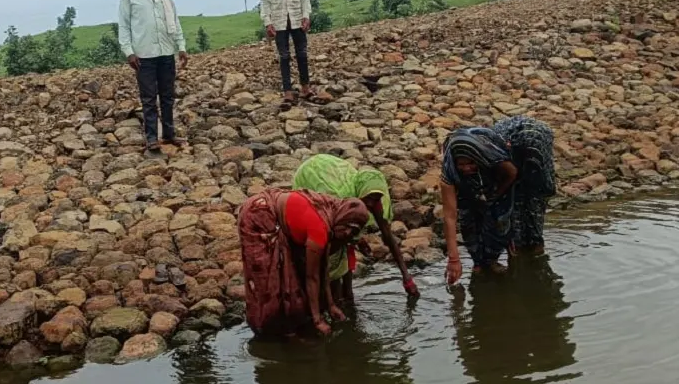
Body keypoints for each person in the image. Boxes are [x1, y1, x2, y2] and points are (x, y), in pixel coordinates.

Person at [439, 115, 557, 283]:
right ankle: (480, 262)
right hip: (486, 172)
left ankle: (516, 255)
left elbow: (512, 173)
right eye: (461, 164)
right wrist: (453, 260)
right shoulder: (449, 173)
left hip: (512, 164)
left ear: (479, 158)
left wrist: (496, 195)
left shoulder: (494, 157)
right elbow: (450, 217)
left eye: (470, 163)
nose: (466, 168)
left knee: (503, 215)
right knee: (468, 218)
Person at [239, 188, 369, 338]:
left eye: (353, 231)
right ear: (343, 216)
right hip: (258, 214)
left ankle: (292, 322)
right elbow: (312, 276)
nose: (347, 233)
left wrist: (331, 304)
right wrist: (318, 320)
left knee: (291, 275)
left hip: (277, 211)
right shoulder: (319, 228)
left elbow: (323, 267)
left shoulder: (330, 215)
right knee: (268, 279)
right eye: (347, 226)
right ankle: (266, 327)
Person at [292, 154, 419, 301]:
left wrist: (406, 276)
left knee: (347, 286)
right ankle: (329, 299)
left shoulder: (376, 200)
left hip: (337, 176)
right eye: (368, 199)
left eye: (376, 199)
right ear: (360, 192)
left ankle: (347, 297)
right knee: (332, 269)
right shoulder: (341, 202)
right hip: (314, 177)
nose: (371, 203)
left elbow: (388, 236)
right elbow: (329, 244)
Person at [118, 0, 189, 155]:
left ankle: (168, 133)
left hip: (166, 52)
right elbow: (124, 27)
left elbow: (174, 21)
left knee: (167, 96)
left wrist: (181, 46)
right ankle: (151, 138)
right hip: (144, 55)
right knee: (148, 99)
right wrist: (129, 52)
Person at [259, 0, 312, 104]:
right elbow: (265, 0)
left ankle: (305, 87)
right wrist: (268, 22)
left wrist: (306, 15)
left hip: (297, 18)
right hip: (279, 21)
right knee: (284, 56)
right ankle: (287, 91)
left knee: (302, 53)